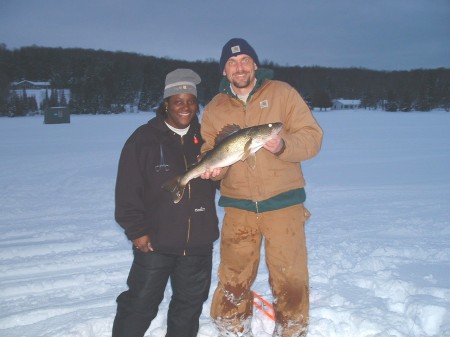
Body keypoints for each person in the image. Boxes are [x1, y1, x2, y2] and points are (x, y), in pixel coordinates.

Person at [200, 38, 323, 337]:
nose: (239, 67)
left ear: (255, 64)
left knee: (290, 274)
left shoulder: (282, 93)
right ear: (224, 71)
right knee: (233, 275)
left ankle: (292, 329)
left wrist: (283, 145)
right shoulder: (215, 108)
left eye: (244, 61)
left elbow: (312, 137)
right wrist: (212, 169)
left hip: (284, 203)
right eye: (231, 63)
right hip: (238, 205)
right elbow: (208, 148)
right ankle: (231, 327)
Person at [112, 68, 219, 337]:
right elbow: (127, 190)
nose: (186, 107)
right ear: (166, 104)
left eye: (191, 101)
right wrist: (136, 231)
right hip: (155, 242)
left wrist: (221, 174)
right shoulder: (144, 139)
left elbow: (224, 184)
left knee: (188, 308)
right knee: (139, 305)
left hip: (198, 244)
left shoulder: (208, 139)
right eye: (178, 101)